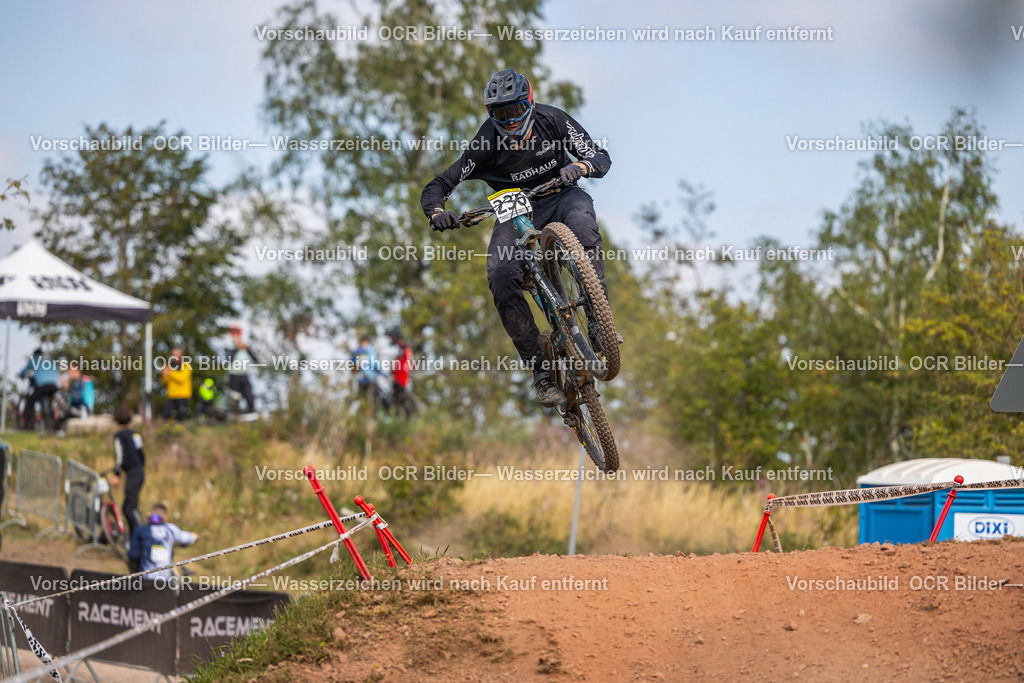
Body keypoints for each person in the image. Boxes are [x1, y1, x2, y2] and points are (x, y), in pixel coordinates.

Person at [421, 69, 613, 407]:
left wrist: (580, 168)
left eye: (514, 110)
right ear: (489, 115)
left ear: (529, 102)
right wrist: (437, 212)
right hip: (516, 209)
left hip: (562, 193)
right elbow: (439, 184)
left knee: (583, 226)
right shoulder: (485, 144)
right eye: (500, 114)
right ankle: (540, 371)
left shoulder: (552, 120)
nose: (510, 122)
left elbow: (600, 157)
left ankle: (598, 318)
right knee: (500, 275)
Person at [127, 502, 198, 579]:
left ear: (150, 515)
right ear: (165, 517)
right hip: (165, 582)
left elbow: (132, 555)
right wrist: (195, 536)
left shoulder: (140, 530)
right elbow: (188, 537)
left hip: (146, 579)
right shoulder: (171, 529)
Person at [110, 404, 145, 538]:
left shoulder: (119, 435)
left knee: (129, 507)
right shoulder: (135, 434)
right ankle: (134, 537)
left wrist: (116, 474)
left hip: (133, 472)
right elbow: (141, 453)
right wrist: (140, 467)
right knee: (130, 506)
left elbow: (120, 457)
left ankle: (139, 536)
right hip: (139, 472)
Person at [17, 348, 62, 429]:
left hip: (43, 386)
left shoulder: (35, 359)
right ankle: (54, 424)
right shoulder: (50, 359)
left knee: (30, 401)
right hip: (55, 385)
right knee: (48, 401)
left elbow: (24, 371)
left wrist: (21, 375)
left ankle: (27, 426)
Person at [226, 323, 258, 413]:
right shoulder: (229, 346)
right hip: (233, 376)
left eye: (237, 332)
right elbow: (229, 359)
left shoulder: (245, 346)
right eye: (234, 332)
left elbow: (255, 359)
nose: (236, 334)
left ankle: (251, 415)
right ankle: (236, 416)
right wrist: (237, 348)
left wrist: (247, 349)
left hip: (244, 375)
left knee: (249, 396)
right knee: (235, 398)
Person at [386, 326, 416, 417]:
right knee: (397, 399)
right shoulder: (401, 348)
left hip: (401, 378)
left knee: (400, 400)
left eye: (391, 337)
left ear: (395, 336)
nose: (390, 339)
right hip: (400, 378)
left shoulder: (404, 348)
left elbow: (405, 364)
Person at [351, 336, 387, 411]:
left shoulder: (356, 351)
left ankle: (364, 414)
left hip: (362, 380)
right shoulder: (370, 350)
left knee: (363, 399)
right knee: (374, 399)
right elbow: (375, 365)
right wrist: (382, 374)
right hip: (370, 379)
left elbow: (352, 368)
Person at [160, 347, 192, 421]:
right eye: (173, 355)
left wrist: (170, 372)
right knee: (166, 415)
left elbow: (181, 379)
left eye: (177, 355)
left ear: (181, 355)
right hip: (172, 396)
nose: (175, 357)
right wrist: (164, 374)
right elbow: (165, 382)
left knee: (181, 417)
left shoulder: (186, 365)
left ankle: (181, 431)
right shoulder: (169, 366)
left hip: (183, 395)